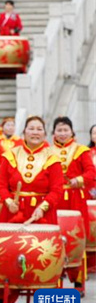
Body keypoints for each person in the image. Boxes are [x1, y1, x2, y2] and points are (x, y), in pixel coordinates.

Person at [0, 116, 64, 303]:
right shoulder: (11, 155)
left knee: (42, 256)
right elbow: (0, 183)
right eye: (31, 128)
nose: (35, 132)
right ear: (24, 132)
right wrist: (7, 201)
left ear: (45, 133)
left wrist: (44, 206)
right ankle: (1, 301)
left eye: (39, 129)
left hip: (41, 212)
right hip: (13, 210)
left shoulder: (52, 157)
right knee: (7, 254)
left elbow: (57, 189)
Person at [50, 116, 94, 289]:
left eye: (65, 130)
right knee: (55, 236)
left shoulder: (81, 150)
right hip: (55, 198)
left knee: (76, 237)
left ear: (72, 131)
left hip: (76, 198)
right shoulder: (48, 151)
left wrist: (79, 180)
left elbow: (91, 172)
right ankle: (54, 278)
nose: (62, 133)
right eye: (59, 130)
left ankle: (78, 280)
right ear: (54, 133)